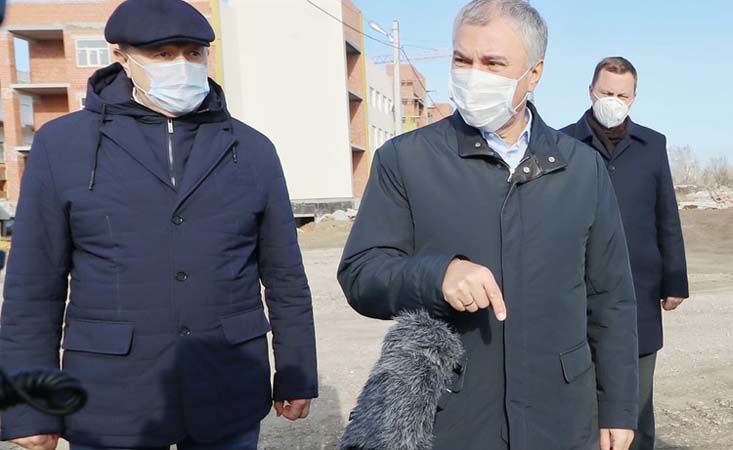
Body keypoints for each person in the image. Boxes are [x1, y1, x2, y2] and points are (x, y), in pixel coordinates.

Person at [0, 1, 318, 449]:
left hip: (226, 388)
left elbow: (285, 275)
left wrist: (296, 371)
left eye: (193, 53)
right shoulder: (63, 146)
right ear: (122, 57)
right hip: (110, 396)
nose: (181, 66)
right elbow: (33, 287)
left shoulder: (251, 149)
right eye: (163, 54)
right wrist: (29, 406)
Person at [338, 1, 639, 449]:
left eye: (493, 63)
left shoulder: (582, 169)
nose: (473, 76)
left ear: (534, 74)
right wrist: (436, 274)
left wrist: (617, 407)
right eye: (463, 60)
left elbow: (611, 298)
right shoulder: (405, 160)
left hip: (560, 413)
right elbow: (361, 273)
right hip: (453, 415)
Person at [561, 57, 690, 450]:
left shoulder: (652, 145)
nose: (613, 101)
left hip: (639, 291)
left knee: (635, 408)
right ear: (591, 91)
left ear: (633, 98)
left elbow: (666, 214)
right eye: (606, 92)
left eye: (622, 95)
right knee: (579, 405)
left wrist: (675, 280)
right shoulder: (562, 144)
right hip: (577, 293)